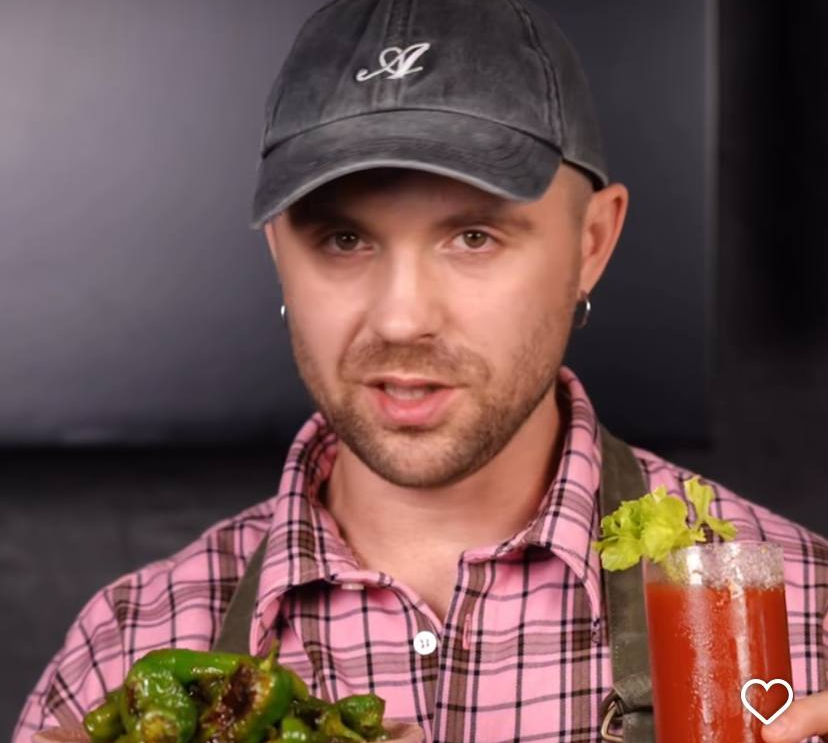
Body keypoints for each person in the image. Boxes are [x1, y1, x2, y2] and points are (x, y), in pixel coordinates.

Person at [12, 0, 828, 741]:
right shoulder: (122, 649)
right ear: (278, 254)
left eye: (473, 237)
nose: (402, 318)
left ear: (591, 243)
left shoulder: (809, 616)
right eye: (344, 239)